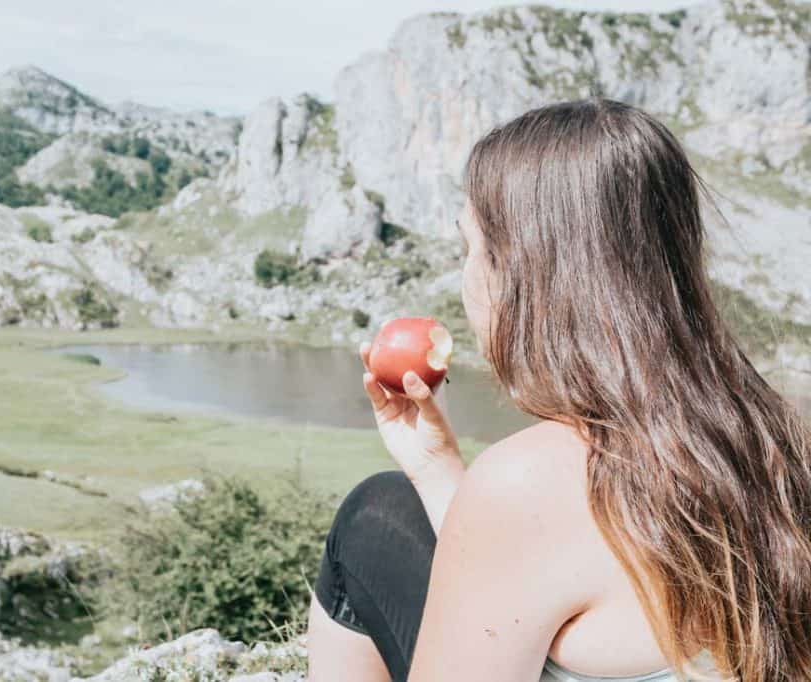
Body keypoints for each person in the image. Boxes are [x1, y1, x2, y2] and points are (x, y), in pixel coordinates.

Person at [306, 97, 811, 682]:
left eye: (472, 248)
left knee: (364, 522)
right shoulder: (770, 439)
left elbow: (534, 538)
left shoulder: (531, 479)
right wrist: (435, 465)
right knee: (383, 505)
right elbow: (540, 565)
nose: (466, 274)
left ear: (524, 272)